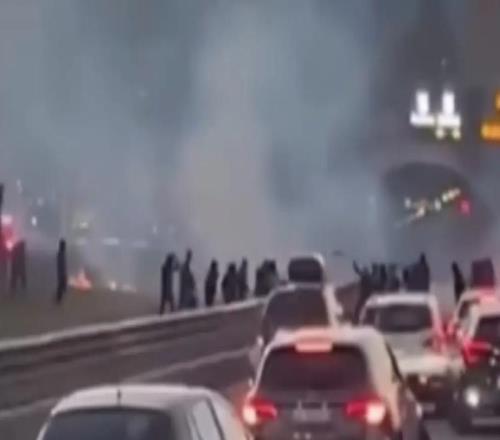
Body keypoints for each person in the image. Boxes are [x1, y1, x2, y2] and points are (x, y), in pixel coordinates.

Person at [55, 239, 68, 304]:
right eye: (64, 246)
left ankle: (58, 299)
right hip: (61, 273)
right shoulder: (60, 254)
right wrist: (63, 273)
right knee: (61, 286)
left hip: (61, 272)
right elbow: (61, 265)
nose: (65, 247)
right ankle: (58, 299)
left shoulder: (61, 253)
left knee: (61, 286)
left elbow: (63, 264)